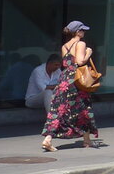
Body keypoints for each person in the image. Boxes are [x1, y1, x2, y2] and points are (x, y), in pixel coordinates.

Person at [41, 21, 99, 151]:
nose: (84, 32)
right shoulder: (81, 44)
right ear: (78, 32)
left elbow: (66, 64)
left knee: (59, 110)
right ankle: (87, 140)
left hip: (64, 79)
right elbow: (79, 61)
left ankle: (49, 138)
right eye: (82, 30)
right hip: (76, 81)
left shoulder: (64, 46)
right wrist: (89, 53)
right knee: (84, 108)